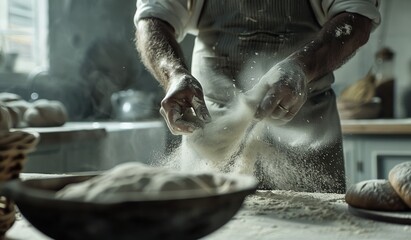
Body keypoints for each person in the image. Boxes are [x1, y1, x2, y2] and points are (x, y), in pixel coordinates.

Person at [134, 0, 381, 193]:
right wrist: (174, 74)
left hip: (305, 127)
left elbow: (355, 16)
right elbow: (153, 18)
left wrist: (300, 68)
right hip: (212, 128)